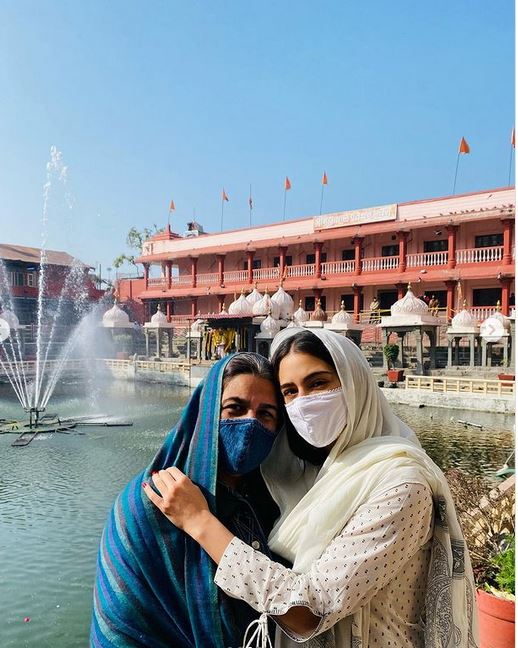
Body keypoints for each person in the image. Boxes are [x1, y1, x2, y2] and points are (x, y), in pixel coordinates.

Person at [146, 328, 478, 648]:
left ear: (354, 384)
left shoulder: (401, 484)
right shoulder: (312, 477)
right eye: (289, 391)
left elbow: (308, 611)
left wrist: (200, 522)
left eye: (318, 383)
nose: (304, 402)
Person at [91, 352, 283, 648]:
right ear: (206, 414)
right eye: (235, 408)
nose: (251, 423)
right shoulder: (149, 502)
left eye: (265, 414)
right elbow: (121, 626)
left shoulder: (271, 499)